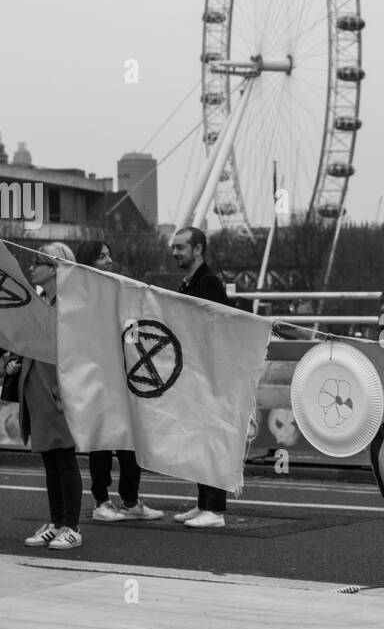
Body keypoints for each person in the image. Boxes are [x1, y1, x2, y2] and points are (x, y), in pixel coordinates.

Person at [0, 243, 83, 550]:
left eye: (38, 262)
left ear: (56, 268)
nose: (31, 267)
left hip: (57, 391)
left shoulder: (71, 306)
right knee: (50, 459)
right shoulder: (42, 301)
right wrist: (17, 360)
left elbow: (76, 352)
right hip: (35, 387)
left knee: (64, 458)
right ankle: (58, 521)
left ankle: (71, 525)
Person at [75, 239, 163, 523]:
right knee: (102, 439)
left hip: (124, 375)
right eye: (102, 256)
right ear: (87, 261)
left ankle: (130, 500)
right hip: (97, 377)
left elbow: (132, 327)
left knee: (129, 439)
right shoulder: (80, 296)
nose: (109, 260)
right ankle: (101, 501)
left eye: (109, 255)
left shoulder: (120, 290)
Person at [170, 227, 231, 528]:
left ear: (197, 249)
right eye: (174, 247)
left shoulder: (208, 283)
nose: (175, 252)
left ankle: (215, 509)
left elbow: (220, 327)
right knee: (198, 438)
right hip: (194, 371)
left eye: (181, 247)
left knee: (211, 439)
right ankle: (203, 503)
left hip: (208, 372)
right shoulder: (189, 283)